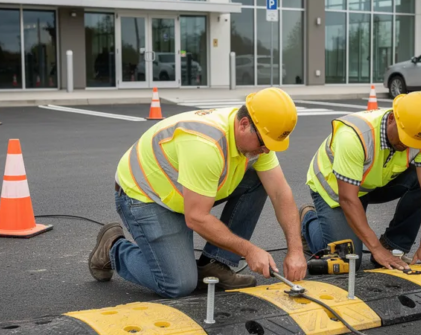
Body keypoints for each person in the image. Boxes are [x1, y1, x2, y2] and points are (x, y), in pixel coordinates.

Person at [87, 87, 308, 298]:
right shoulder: (206, 145)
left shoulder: (256, 136)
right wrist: (249, 250)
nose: (267, 150)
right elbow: (196, 218)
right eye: (264, 143)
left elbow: (280, 193)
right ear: (243, 124)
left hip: (184, 192)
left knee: (260, 180)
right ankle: (113, 247)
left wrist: (296, 251)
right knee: (177, 284)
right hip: (144, 196)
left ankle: (215, 265)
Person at [299, 91, 421, 271]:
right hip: (336, 190)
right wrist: (376, 249)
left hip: (371, 183)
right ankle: (308, 219)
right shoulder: (355, 136)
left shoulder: (420, 136)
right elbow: (348, 199)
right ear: (391, 118)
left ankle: (393, 245)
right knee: (349, 260)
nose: (407, 145)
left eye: (413, 141)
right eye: (404, 137)